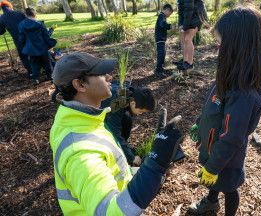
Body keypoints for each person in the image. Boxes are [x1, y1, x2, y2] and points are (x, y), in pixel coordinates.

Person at [50, 52, 182, 215]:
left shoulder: (82, 121)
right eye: (101, 73)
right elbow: (113, 211)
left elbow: (112, 167)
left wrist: (143, 171)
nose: (109, 77)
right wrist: (155, 164)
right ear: (80, 85)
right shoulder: (81, 152)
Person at [188, 7, 261, 216]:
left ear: (237, 45)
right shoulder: (230, 73)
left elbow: (232, 137)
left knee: (229, 188)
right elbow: (212, 107)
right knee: (214, 183)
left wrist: (213, 167)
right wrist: (200, 124)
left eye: (220, 42)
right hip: (214, 148)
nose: (217, 46)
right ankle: (211, 202)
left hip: (226, 157)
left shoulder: (243, 93)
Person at [101, 86, 156, 166]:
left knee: (127, 118)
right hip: (93, 117)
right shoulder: (117, 104)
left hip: (109, 114)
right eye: (140, 111)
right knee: (118, 128)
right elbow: (115, 134)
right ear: (133, 103)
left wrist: (130, 150)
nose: (140, 114)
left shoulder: (131, 94)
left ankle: (124, 149)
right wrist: (131, 157)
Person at [18, 7, 57, 84]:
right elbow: (46, 36)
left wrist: (24, 45)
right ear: (34, 14)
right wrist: (52, 29)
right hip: (42, 47)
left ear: (25, 14)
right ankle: (51, 77)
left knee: (34, 64)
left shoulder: (21, 25)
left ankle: (35, 79)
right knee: (47, 63)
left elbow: (21, 38)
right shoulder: (40, 24)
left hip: (31, 48)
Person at [173, 0, 208, 71]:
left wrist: (185, 26)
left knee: (188, 39)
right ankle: (185, 61)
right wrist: (180, 25)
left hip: (197, 17)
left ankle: (190, 63)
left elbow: (189, 10)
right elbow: (180, 11)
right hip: (189, 17)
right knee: (182, 37)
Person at [0, 0, 32, 77]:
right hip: (28, 36)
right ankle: (41, 68)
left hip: (18, 40)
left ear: (2, 8)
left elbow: (1, 31)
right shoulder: (19, 13)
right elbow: (29, 22)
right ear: (10, 6)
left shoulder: (2, 17)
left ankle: (31, 72)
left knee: (23, 56)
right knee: (33, 51)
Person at [154, 4, 173, 77]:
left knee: (163, 53)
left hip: (161, 39)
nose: (169, 15)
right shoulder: (161, 16)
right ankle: (158, 70)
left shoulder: (162, 16)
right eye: (170, 13)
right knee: (161, 54)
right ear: (167, 10)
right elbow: (162, 25)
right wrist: (170, 26)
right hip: (160, 38)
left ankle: (160, 68)